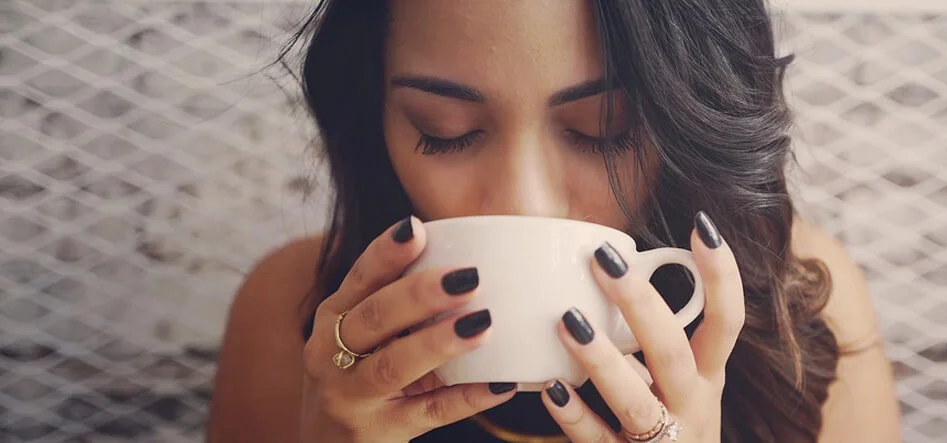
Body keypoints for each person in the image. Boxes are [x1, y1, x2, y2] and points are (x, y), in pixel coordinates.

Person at [206, 1, 901, 442]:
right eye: (443, 131)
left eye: (604, 130)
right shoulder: (294, 314)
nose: (524, 202)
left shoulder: (795, 306)